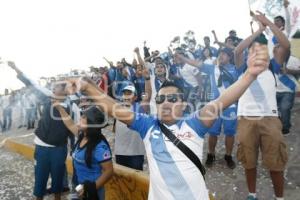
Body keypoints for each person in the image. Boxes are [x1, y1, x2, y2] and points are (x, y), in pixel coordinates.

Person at [66, 41, 270, 200]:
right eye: (161, 99)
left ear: (183, 103)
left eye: (172, 99)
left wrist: (250, 74)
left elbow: (223, 99)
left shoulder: (195, 123)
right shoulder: (148, 126)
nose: (165, 103)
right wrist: (88, 86)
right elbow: (115, 109)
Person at [234, 12, 290, 200]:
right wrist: (258, 30)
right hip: (245, 119)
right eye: (254, 49)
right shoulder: (243, 68)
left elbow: (285, 45)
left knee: (275, 161)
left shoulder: (273, 65)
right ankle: (252, 194)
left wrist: (267, 23)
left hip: (270, 119)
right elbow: (236, 51)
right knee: (249, 160)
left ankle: (279, 197)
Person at [8, 61, 74, 200]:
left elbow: (74, 128)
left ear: (66, 90)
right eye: (55, 86)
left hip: (59, 149)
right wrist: (15, 68)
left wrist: (74, 148)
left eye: (60, 85)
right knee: (40, 182)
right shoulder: (47, 98)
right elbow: (30, 83)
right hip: (42, 148)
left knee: (58, 183)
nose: (55, 87)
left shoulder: (72, 106)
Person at [55, 105, 113, 200]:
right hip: (78, 185)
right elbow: (70, 124)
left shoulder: (99, 146)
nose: (80, 118)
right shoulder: (82, 136)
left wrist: (90, 188)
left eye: (84, 117)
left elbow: (109, 171)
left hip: (92, 191)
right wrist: (59, 108)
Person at [114, 85, 146, 170]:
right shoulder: (118, 109)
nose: (126, 96)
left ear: (135, 97)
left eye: (129, 94)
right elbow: (114, 129)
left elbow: (148, 98)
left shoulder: (140, 108)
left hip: (136, 152)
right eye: (125, 94)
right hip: (120, 151)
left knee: (136, 180)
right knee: (123, 179)